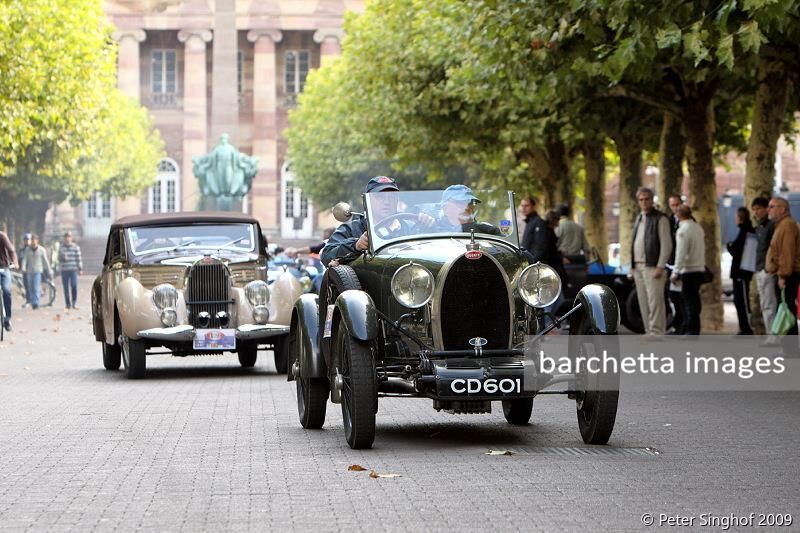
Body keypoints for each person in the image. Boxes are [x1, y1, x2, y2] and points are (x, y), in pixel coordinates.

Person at [321, 176, 432, 266]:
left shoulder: (411, 227)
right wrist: (356, 245)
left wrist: (428, 224)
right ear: (367, 201)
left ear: (397, 200)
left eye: (391, 197)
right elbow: (326, 255)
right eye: (380, 197)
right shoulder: (351, 229)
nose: (387, 202)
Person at [630, 187, 673, 337]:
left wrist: (660, 266)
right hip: (639, 266)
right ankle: (649, 331)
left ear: (652, 200)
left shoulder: (661, 218)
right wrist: (632, 266)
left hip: (653, 267)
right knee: (643, 302)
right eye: (641, 199)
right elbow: (634, 242)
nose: (644, 202)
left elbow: (667, 245)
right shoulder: (638, 218)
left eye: (647, 199)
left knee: (656, 302)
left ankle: (657, 332)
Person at [765, 197, 800, 354]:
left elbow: (787, 253)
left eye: (772, 206)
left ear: (783, 209)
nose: (769, 209)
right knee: (786, 309)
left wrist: (783, 275)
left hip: (788, 275)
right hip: (784, 273)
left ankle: (790, 348)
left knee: (786, 310)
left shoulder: (787, 226)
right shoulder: (782, 225)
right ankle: (788, 347)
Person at [670, 205, 706, 336]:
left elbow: (681, 253)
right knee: (695, 300)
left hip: (688, 270)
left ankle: (690, 329)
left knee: (687, 302)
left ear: (679, 216)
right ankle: (694, 328)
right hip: (699, 269)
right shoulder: (698, 228)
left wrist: (675, 272)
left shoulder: (683, 231)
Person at [751, 197, 777, 335]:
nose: (756, 212)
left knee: (769, 304)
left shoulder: (771, 225)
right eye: (754, 209)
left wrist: (769, 267)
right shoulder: (760, 226)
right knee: (764, 304)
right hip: (760, 268)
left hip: (767, 269)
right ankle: (770, 333)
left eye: (759, 209)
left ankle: (773, 335)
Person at [727, 207, 755, 334]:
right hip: (740, 272)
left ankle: (747, 327)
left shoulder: (746, 232)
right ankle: (743, 327)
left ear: (740, 218)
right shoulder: (745, 231)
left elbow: (738, 252)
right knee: (738, 300)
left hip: (742, 273)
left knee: (742, 300)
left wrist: (729, 246)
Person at [434, 185, 500, 235]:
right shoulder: (432, 228)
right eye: (460, 202)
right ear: (445, 208)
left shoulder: (486, 229)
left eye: (471, 202)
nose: (467, 207)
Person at [666, 195, 684, 335]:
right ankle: (677, 325)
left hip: (683, 266)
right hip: (671, 264)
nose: (675, 208)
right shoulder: (669, 221)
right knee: (674, 297)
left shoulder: (688, 221)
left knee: (683, 298)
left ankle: (682, 326)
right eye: (673, 205)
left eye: (677, 204)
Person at [20, 234, 51, 310]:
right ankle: (33, 301)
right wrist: (23, 267)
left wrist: (49, 270)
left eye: (35, 240)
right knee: (31, 288)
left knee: (36, 287)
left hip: (38, 271)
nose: (33, 242)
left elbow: (45, 261)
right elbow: (24, 260)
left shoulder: (41, 250)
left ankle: (35, 303)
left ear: (37, 241)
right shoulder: (27, 250)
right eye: (32, 240)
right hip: (29, 271)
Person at [519, 196, 551, 264]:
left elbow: (541, 246)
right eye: (522, 206)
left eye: (527, 205)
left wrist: (533, 262)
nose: (524, 208)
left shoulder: (539, 222)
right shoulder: (528, 222)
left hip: (535, 265)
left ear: (533, 207)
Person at [58, 231, 83, 310]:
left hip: (73, 269)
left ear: (71, 238)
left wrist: (80, 268)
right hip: (64, 270)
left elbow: (79, 258)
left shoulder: (76, 247)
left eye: (69, 237)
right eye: (66, 237)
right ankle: (67, 304)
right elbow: (59, 259)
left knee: (74, 285)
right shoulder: (61, 248)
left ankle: (74, 302)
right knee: (65, 287)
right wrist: (62, 258)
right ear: (64, 238)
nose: (67, 239)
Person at [0, 230, 18, 331]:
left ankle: (7, 319)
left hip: (4, 268)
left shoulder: (2, 236)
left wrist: (15, 262)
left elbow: (11, 250)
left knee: (6, 291)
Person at [17, 233, 33, 307]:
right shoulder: (21, 250)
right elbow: (19, 259)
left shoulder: (33, 249)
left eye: (28, 240)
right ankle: (28, 300)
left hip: (32, 270)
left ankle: (33, 300)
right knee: (26, 286)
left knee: (32, 286)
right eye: (25, 240)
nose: (27, 241)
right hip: (24, 271)